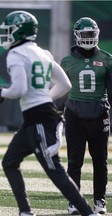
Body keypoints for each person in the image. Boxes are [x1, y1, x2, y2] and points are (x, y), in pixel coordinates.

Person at [0, 11, 100, 216]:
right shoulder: (43, 52)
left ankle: (88, 213)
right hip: (34, 119)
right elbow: (65, 84)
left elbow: (19, 89)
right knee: (9, 162)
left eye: (9, 30)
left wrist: (1, 93)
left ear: (19, 31)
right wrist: (44, 98)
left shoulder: (16, 54)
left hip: (40, 121)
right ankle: (25, 211)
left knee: (55, 172)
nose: (6, 34)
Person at [61, 17, 112, 215]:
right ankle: (74, 201)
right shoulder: (66, 61)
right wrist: (56, 113)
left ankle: (99, 200)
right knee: (75, 160)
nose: (89, 38)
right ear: (77, 36)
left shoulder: (107, 59)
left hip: (99, 113)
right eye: (85, 34)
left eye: (92, 34)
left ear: (97, 34)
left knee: (100, 160)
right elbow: (61, 90)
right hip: (74, 113)